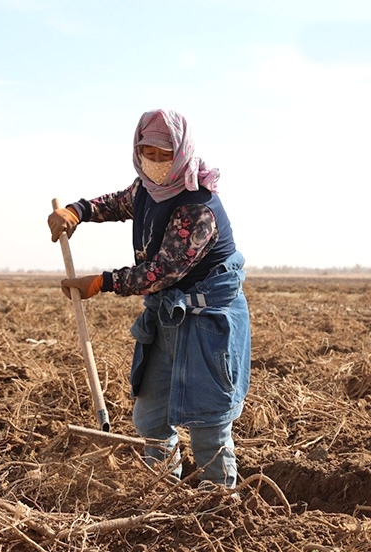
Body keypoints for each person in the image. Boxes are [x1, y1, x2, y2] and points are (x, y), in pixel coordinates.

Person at [47, 108, 251, 489]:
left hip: (207, 324)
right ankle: (163, 490)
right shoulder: (147, 189)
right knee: (151, 418)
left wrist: (103, 283)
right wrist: (78, 211)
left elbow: (161, 271)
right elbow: (117, 203)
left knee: (209, 424)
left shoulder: (198, 208)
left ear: (182, 153)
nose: (155, 162)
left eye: (164, 155)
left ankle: (220, 503)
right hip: (167, 319)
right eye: (148, 153)